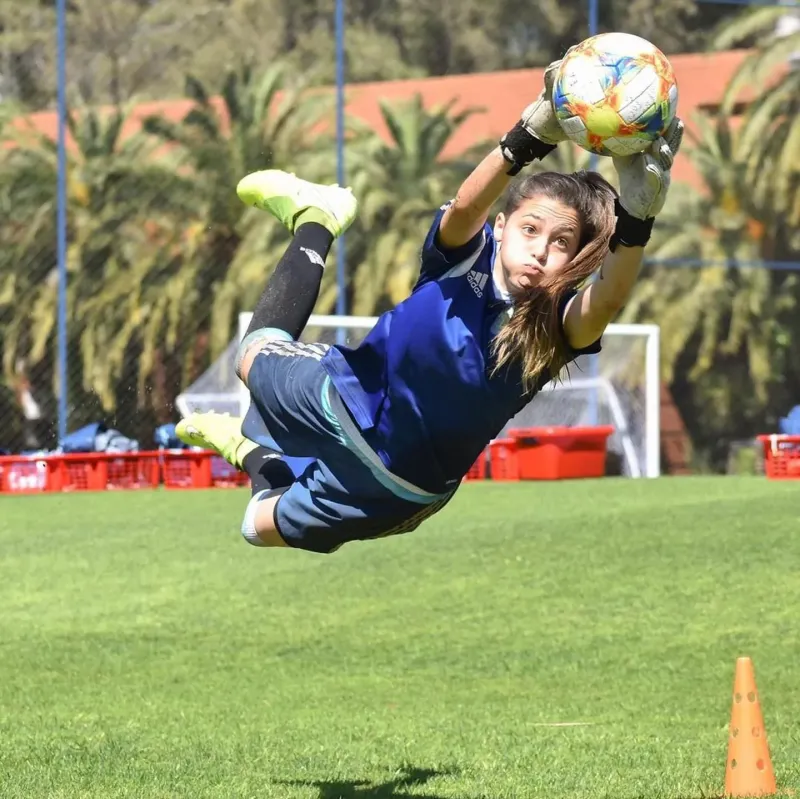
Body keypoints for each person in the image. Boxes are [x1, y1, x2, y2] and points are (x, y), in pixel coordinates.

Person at [177, 59, 683, 554]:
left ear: (572, 260)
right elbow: (465, 207)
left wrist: (637, 218)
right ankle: (319, 215)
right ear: (502, 227)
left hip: (400, 488)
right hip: (343, 396)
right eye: (530, 229)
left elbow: (610, 296)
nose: (540, 249)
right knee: (253, 354)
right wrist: (528, 137)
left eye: (561, 243)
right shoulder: (463, 259)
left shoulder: (554, 327)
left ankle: (250, 452)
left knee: (255, 527)